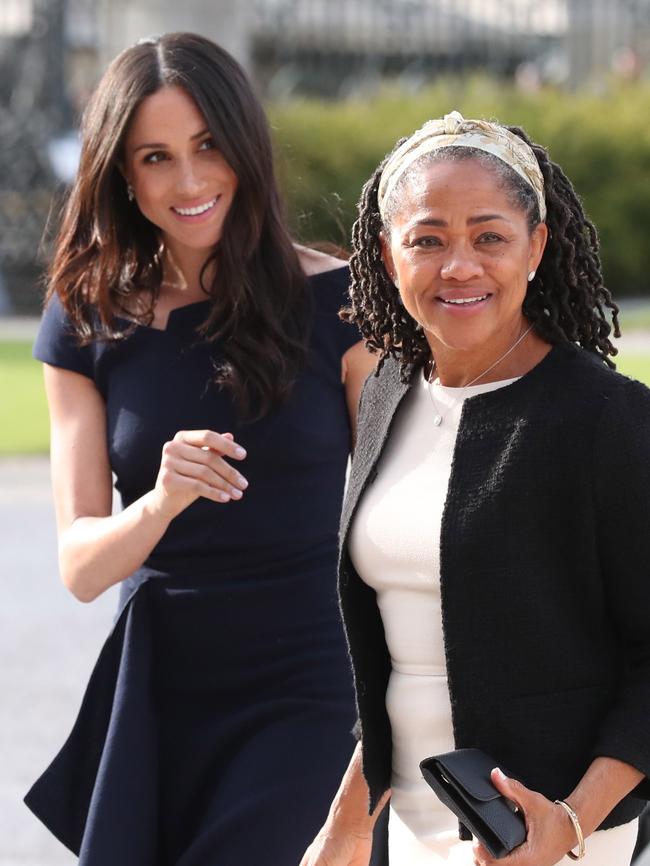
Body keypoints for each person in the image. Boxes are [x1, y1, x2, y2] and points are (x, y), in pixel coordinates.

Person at [25, 32, 376, 866]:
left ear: (245, 146)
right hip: (162, 689)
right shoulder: (87, 322)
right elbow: (81, 568)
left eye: (207, 146)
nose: (188, 182)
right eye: (155, 157)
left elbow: (405, 517)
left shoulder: (346, 307)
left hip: (312, 684)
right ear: (121, 172)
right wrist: (160, 499)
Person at [301, 111, 650, 866]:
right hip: (415, 829)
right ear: (389, 257)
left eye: (489, 236)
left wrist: (571, 822)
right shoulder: (388, 390)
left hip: (548, 837)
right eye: (427, 239)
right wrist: (349, 824)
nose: (459, 265)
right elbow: (403, 645)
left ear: (536, 247)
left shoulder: (606, 419)